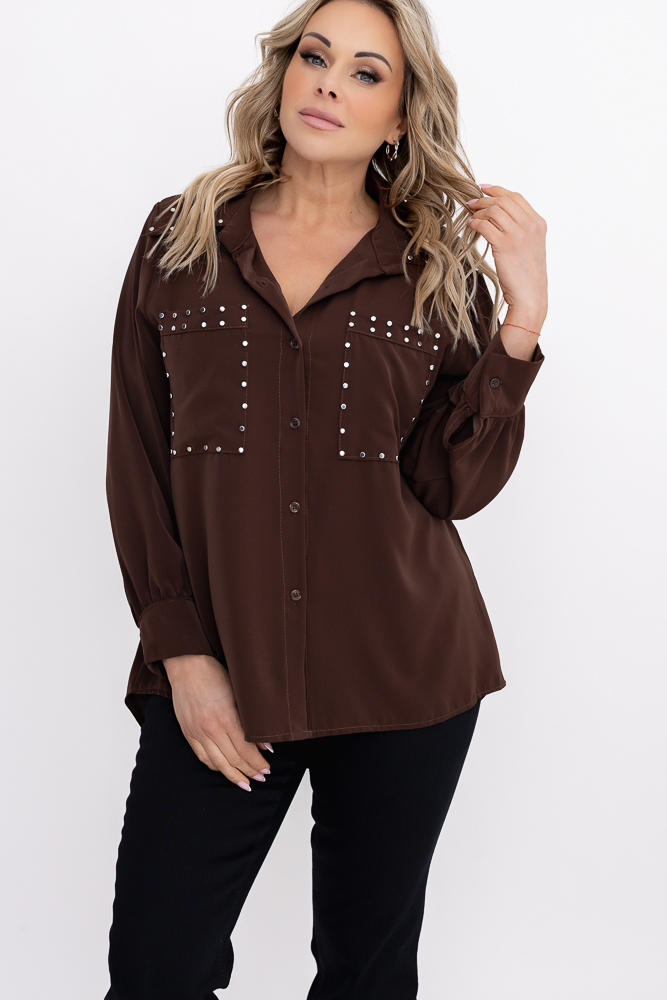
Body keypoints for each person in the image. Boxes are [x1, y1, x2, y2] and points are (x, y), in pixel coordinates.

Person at [103, 0, 547, 997]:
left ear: (399, 118)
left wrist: (520, 323)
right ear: (284, 72)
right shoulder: (181, 239)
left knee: (365, 976)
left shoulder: (434, 271)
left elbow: (450, 485)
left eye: (365, 72)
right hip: (221, 671)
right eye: (316, 56)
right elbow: (135, 455)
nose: (328, 84)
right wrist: (182, 655)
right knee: (156, 966)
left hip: (403, 677)